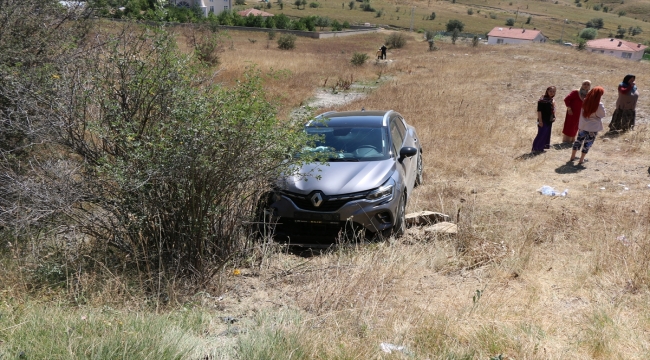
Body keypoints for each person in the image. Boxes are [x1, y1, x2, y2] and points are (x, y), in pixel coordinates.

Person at [570, 86, 606, 166]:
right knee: (588, 143)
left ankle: (572, 156)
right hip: (593, 127)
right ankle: (581, 159)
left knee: (578, 140)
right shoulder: (599, 105)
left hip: (583, 125)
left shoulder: (585, 100)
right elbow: (602, 115)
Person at [531, 86, 556, 153]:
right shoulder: (542, 100)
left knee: (546, 134)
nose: (552, 93)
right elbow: (539, 111)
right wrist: (540, 121)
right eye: (550, 91)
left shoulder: (552, 100)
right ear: (547, 91)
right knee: (541, 134)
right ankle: (535, 149)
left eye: (553, 91)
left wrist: (554, 117)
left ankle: (541, 148)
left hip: (549, 120)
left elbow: (552, 110)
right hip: (543, 120)